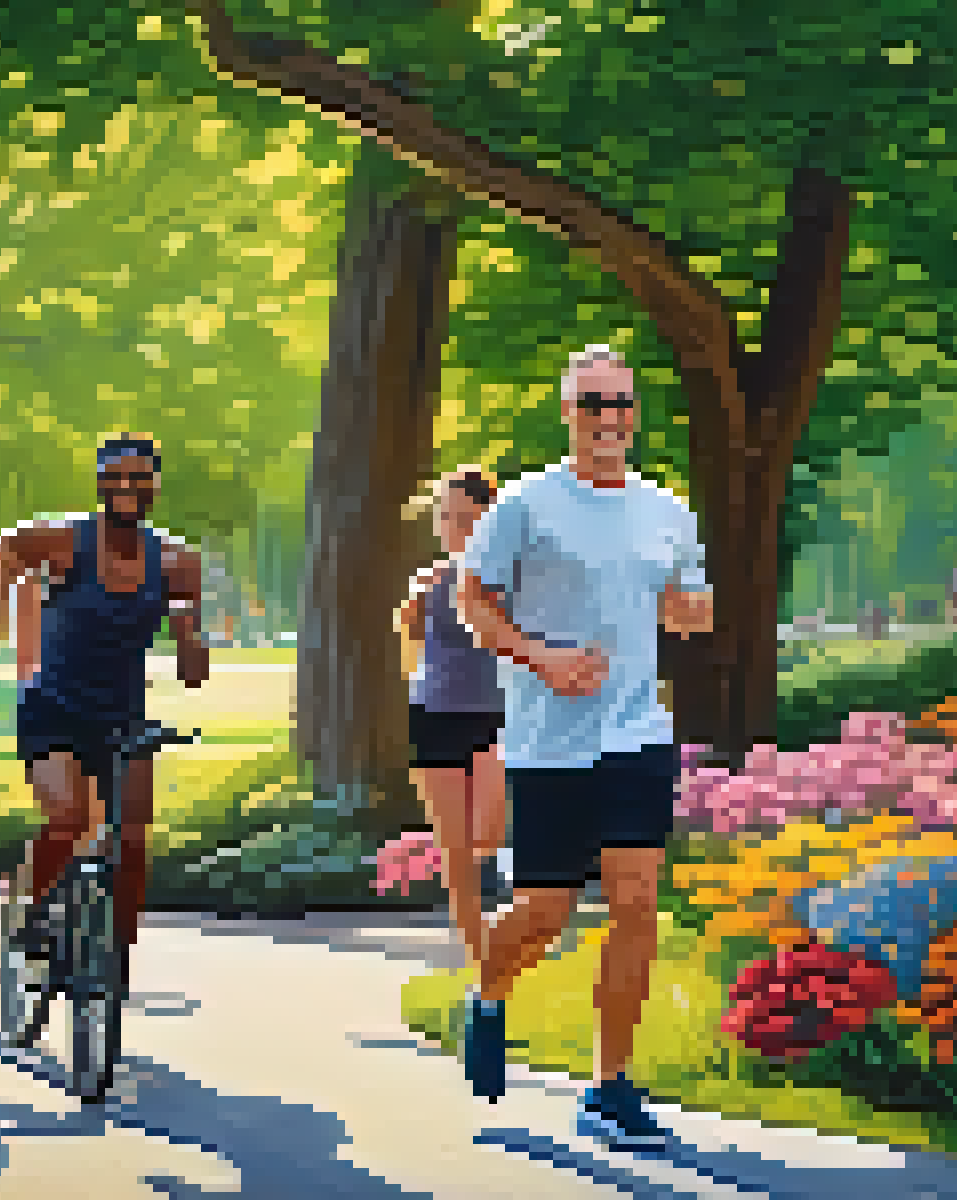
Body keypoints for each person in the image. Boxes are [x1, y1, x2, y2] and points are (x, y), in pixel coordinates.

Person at [453, 344, 712, 1154]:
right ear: (568, 413)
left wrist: (688, 610)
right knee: (544, 913)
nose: (610, 419)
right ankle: (488, 991)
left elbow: (691, 601)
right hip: (548, 743)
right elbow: (473, 602)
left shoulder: (666, 510)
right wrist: (540, 657)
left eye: (621, 404)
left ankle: (609, 1089)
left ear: (635, 415)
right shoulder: (526, 505)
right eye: (594, 404)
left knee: (636, 903)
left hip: (637, 733)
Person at [0, 433, 209, 962]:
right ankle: (26, 913)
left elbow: (194, 675)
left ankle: (114, 963)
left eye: (138, 477)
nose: (126, 487)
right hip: (52, 707)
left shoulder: (176, 561)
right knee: (67, 817)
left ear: (155, 484)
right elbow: (5, 546)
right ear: (102, 483)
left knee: (131, 840)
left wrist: (187, 631)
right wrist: (3, 598)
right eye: (115, 477)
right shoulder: (65, 539)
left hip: (123, 715)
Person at [395, 467, 510, 966]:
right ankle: (477, 959)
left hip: (497, 717)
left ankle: (505, 895)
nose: (454, 527)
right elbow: (411, 649)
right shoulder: (427, 583)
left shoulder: (515, 581)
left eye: (466, 517)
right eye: (446, 516)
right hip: (435, 716)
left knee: (487, 831)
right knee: (454, 851)